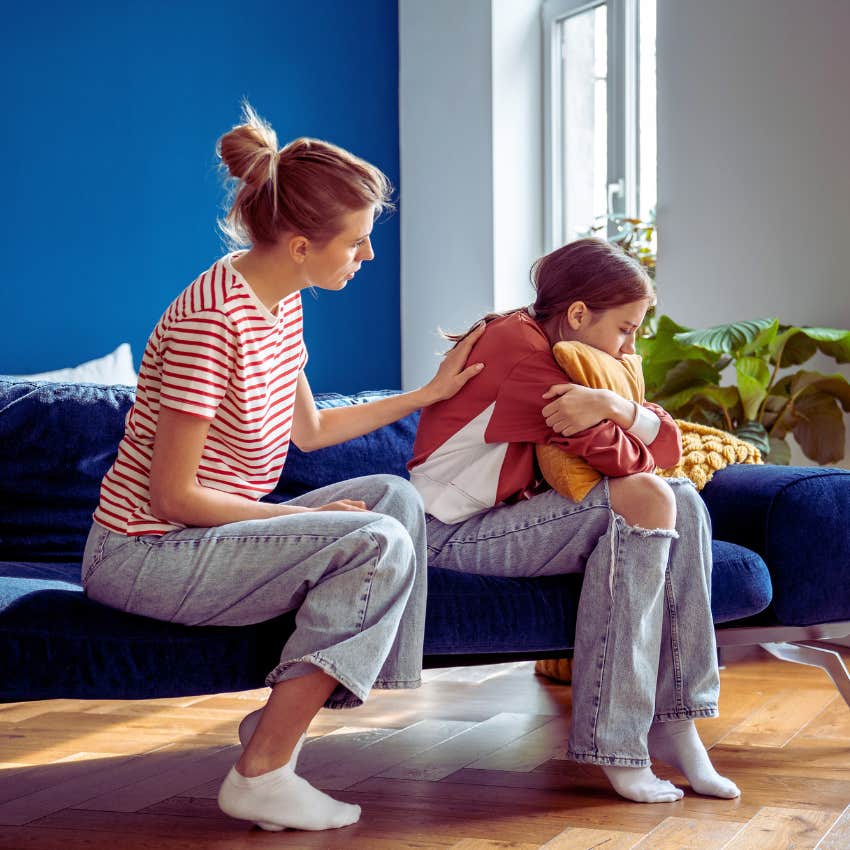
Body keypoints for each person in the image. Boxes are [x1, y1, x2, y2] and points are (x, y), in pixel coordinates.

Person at [80, 104, 485, 833]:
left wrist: (429, 394)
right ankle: (263, 771)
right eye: (357, 243)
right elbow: (174, 496)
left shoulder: (281, 300)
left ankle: (289, 717)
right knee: (376, 541)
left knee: (394, 501)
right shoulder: (213, 319)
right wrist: (306, 518)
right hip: (143, 553)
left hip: (196, 539)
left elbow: (312, 428)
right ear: (300, 244)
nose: (365, 257)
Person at [409, 238, 740, 804]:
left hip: (507, 522)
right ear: (580, 314)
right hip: (446, 537)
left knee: (679, 496)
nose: (629, 346)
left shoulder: (565, 351)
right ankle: (617, 741)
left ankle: (676, 720)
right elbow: (634, 456)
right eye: (625, 329)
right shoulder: (520, 351)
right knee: (654, 496)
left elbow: (666, 448)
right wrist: (622, 420)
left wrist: (615, 406)